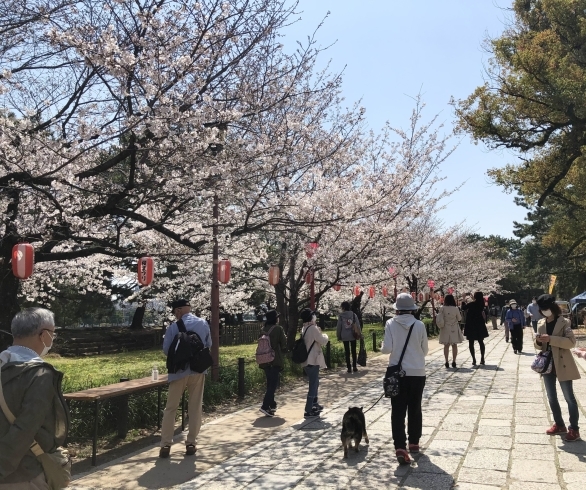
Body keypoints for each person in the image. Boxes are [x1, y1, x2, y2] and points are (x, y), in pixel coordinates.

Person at [0, 308, 69, 490]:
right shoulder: (39, 374)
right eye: (53, 333)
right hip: (24, 473)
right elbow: (25, 428)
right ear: (44, 335)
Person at [160, 299, 211, 458]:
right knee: (195, 407)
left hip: (178, 372)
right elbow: (208, 344)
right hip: (197, 371)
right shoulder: (203, 324)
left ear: (178, 311)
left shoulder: (173, 327)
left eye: (175, 312)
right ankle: (191, 443)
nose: (175, 315)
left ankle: (166, 445)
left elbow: (167, 350)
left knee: (171, 408)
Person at [381, 293, 428, 465]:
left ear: (397, 309)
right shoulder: (420, 324)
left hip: (397, 373)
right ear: (412, 309)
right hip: (417, 372)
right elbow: (425, 350)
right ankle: (414, 442)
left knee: (398, 411)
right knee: (415, 408)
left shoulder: (390, 324)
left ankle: (400, 447)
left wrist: (382, 347)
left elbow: (387, 349)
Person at [535, 294, 581, 441]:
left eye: (547, 309)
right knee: (551, 397)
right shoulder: (541, 323)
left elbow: (571, 343)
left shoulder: (565, 322)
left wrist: (551, 339)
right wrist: (538, 341)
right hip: (547, 364)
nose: (545, 312)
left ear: (553, 307)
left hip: (563, 363)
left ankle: (574, 428)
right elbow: (539, 346)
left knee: (569, 398)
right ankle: (559, 424)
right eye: (542, 309)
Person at [300, 308, 329, 419]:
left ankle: (314, 404)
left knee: (315, 382)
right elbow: (322, 341)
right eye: (313, 315)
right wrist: (325, 335)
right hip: (312, 360)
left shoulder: (305, 327)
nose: (315, 316)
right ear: (311, 317)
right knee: (313, 384)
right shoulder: (312, 328)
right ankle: (308, 409)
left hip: (307, 360)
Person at [258, 309, 287, 417]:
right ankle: (265, 406)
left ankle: (272, 405)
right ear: (275, 318)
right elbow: (284, 344)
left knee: (270, 383)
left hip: (264, 359)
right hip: (274, 359)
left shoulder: (263, 329)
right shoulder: (278, 329)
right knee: (273, 385)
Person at [462, 291, 489, 366]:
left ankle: (474, 359)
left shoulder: (471, 304)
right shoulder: (482, 304)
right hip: (479, 324)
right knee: (481, 342)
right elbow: (477, 302)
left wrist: (464, 299)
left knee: (471, 342)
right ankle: (482, 358)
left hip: (471, 324)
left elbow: (463, 308)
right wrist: (474, 298)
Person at [436, 294, 463, 368]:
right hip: (454, 327)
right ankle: (454, 361)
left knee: (446, 345)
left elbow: (439, 317)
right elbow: (459, 318)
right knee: (454, 345)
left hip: (445, 327)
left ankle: (446, 361)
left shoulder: (442, 308)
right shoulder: (456, 308)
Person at [337, 301, 361, 373]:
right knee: (353, 351)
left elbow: (339, 327)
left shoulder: (341, 316)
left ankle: (349, 368)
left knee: (347, 352)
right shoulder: (353, 315)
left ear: (343, 307)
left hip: (344, 336)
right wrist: (359, 333)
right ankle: (354, 366)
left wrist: (338, 335)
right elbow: (358, 325)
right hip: (353, 335)